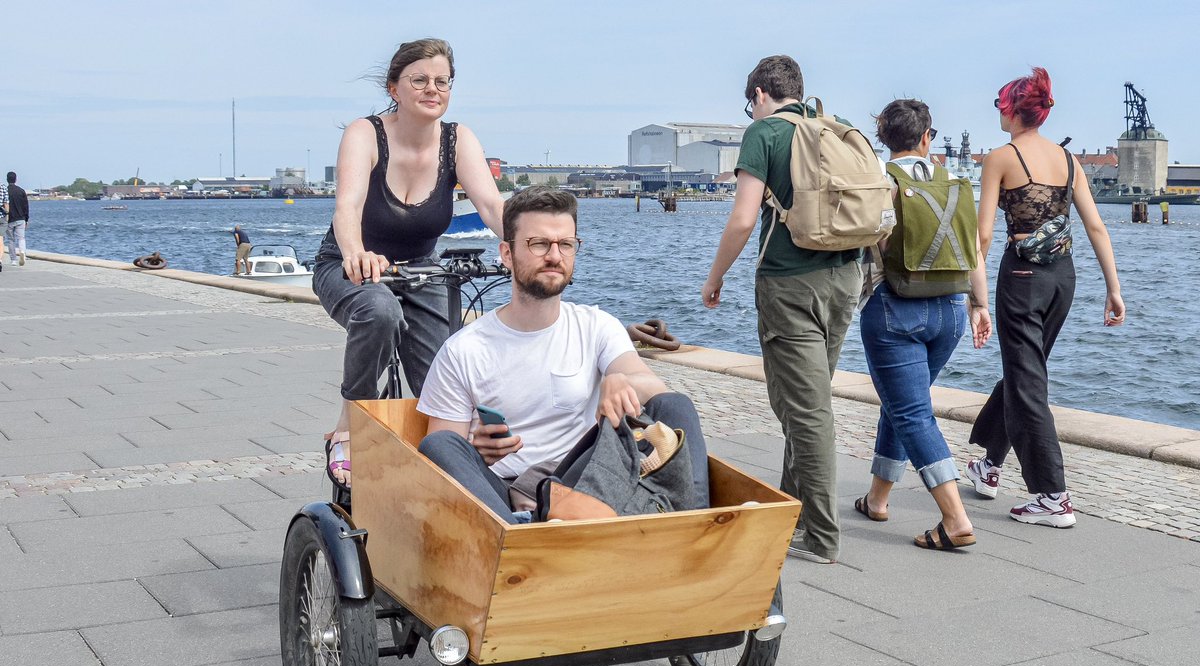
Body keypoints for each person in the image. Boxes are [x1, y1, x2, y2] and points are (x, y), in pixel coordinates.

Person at [416, 187, 709, 524]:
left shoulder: (596, 325)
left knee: (675, 405)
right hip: (505, 494)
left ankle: (698, 525)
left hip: (584, 484)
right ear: (507, 254)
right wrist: (478, 453)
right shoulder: (463, 350)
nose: (554, 256)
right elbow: (439, 462)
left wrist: (617, 378)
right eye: (539, 244)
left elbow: (646, 383)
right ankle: (522, 541)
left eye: (566, 244)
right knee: (439, 445)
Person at [311, 38, 504, 488]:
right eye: (419, 80)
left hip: (420, 270)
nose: (432, 89)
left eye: (442, 81)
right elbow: (348, 205)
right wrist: (357, 252)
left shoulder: (458, 139)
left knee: (446, 374)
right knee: (379, 312)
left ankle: (448, 466)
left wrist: (523, 242)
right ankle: (350, 423)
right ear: (394, 88)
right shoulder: (365, 133)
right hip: (348, 264)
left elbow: (493, 206)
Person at [700, 55, 862, 564]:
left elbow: (743, 219)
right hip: (846, 278)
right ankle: (793, 509)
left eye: (750, 103)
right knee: (804, 401)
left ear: (760, 94)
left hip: (790, 284)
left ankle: (819, 535)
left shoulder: (765, 133)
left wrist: (715, 275)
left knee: (807, 411)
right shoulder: (835, 128)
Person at [966, 67, 1125, 527]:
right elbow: (1095, 226)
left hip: (1021, 278)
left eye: (1000, 104)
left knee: (1027, 379)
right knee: (1025, 370)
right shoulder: (1068, 160)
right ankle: (991, 466)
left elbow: (982, 237)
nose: (998, 111)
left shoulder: (1000, 157)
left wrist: (975, 299)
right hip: (1064, 280)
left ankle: (1053, 495)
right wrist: (1113, 288)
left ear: (1012, 109)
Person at [856, 99, 993, 550]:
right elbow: (974, 247)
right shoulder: (956, 181)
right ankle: (878, 499)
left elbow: (865, 238)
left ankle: (955, 519)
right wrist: (981, 305)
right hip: (951, 310)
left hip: (895, 308)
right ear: (927, 137)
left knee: (912, 411)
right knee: (902, 402)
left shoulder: (878, 180)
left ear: (883, 137)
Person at [3, 173, 27, 268]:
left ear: (7, 179)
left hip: (9, 219)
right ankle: (22, 252)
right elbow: (26, 206)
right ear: (16, 179)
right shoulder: (21, 191)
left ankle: (13, 260)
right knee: (21, 238)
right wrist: (27, 219)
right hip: (21, 218)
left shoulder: (5, 191)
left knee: (11, 240)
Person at [0, 177, 10, 270]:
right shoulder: (3, 187)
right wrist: (7, 215)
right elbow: (6, 203)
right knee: (1, 240)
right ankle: (0, 260)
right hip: (2, 217)